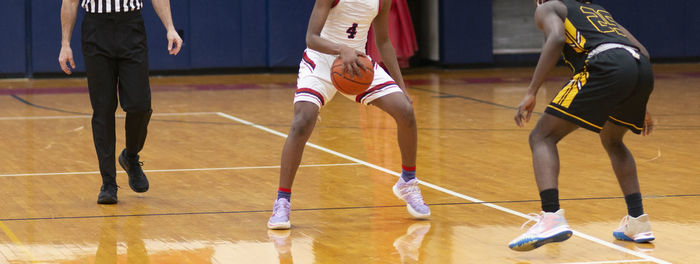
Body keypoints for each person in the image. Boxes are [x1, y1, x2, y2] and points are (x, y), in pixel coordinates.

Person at [267, 0, 430, 230]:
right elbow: (311, 38)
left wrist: (401, 87)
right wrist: (340, 49)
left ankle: (408, 182)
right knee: (302, 122)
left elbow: (383, 41)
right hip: (321, 62)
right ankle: (282, 201)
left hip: (357, 65)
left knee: (405, 112)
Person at [509, 0, 655, 251]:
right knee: (613, 140)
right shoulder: (596, 10)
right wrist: (638, 98)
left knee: (541, 137)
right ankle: (638, 221)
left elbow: (555, 38)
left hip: (605, 64)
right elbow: (643, 50)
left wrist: (532, 91)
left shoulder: (548, 7)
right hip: (639, 69)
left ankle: (551, 216)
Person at [58, 0, 183, 204]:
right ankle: (108, 183)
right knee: (103, 110)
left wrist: (170, 27)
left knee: (140, 105)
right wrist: (65, 44)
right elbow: (70, 2)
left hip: (131, 27)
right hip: (96, 30)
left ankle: (131, 156)